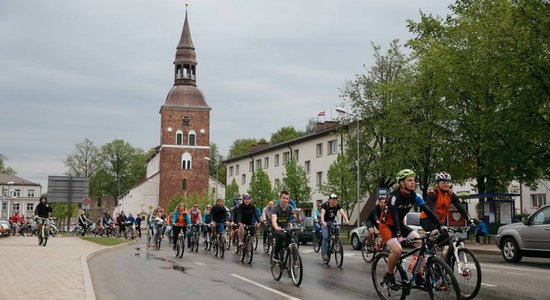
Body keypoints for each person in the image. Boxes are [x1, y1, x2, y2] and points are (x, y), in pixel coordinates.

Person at [379, 169, 444, 289]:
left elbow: (428, 211)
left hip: (400, 225)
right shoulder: (394, 197)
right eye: (409, 180)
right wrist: (399, 236)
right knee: (397, 250)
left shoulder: (415, 196)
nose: (413, 183)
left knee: (420, 243)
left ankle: (419, 276)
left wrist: (440, 225)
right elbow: (395, 215)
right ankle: (389, 276)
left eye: (414, 180)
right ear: (402, 183)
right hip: (386, 226)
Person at [271, 191, 301, 262]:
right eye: (283, 198)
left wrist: (297, 215)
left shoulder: (290, 208)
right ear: (280, 198)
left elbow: (298, 221)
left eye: (287, 199)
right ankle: (275, 254)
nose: (285, 200)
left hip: (287, 228)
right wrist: (276, 227)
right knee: (281, 236)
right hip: (277, 229)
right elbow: (274, 220)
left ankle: (291, 254)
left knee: (292, 238)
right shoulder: (275, 208)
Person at [320, 193, 350, 262]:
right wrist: (323, 222)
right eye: (333, 199)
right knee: (325, 237)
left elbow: (342, 213)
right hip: (325, 222)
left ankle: (336, 241)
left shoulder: (337, 206)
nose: (335, 201)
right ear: (329, 200)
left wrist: (346, 220)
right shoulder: (325, 205)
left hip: (332, 221)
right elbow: (322, 214)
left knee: (337, 228)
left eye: (336, 199)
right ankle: (325, 254)